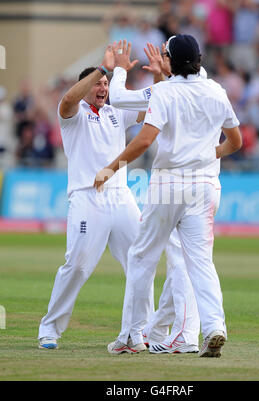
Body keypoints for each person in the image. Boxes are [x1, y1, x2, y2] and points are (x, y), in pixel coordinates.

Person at [37, 45, 199, 354]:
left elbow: (156, 110)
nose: (102, 88)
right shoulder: (74, 114)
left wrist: (160, 77)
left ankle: (142, 331)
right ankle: (50, 328)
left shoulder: (116, 113)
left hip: (121, 197)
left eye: (106, 85)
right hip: (88, 196)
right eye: (97, 84)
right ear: (87, 86)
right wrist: (103, 69)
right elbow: (69, 99)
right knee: (79, 265)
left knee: (142, 263)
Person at [95, 35, 242, 358]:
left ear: (172, 61)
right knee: (201, 262)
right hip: (205, 186)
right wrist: (205, 156)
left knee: (141, 257)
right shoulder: (216, 91)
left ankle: (131, 335)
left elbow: (146, 140)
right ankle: (215, 326)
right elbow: (236, 141)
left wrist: (110, 168)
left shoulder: (164, 92)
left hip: (168, 184)